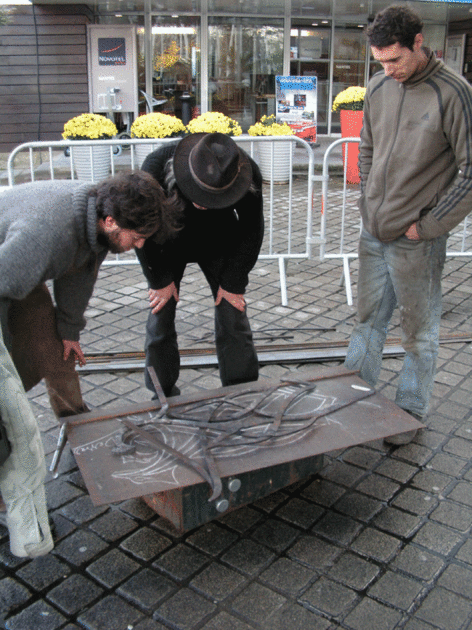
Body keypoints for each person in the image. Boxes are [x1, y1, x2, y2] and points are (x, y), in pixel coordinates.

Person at [0, 170, 175, 557]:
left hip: (12, 272)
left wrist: (69, 330)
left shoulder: (94, 223)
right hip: (3, 272)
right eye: (137, 236)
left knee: (56, 351)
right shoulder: (44, 235)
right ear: (110, 221)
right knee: (7, 403)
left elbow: (79, 275)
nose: (140, 244)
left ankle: (77, 421)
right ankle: (10, 495)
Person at [344, 4, 472, 445]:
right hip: (373, 230)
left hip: (417, 239)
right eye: (380, 61)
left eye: (395, 59)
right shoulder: (379, 85)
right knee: (367, 321)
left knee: (418, 331)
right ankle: (351, 399)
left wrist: (431, 225)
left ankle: (411, 409)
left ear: (419, 43)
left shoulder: (453, 93)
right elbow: (367, 145)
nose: (388, 69)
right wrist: (367, 200)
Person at [137, 132, 264, 398]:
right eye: (199, 194)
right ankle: (161, 390)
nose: (204, 204)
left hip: (219, 239)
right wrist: (158, 279)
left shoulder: (246, 171)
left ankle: (241, 389)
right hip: (166, 240)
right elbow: (140, 229)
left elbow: (252, 228)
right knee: (161, 310)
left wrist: (234, 282)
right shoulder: (154, 168)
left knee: (232, 310)